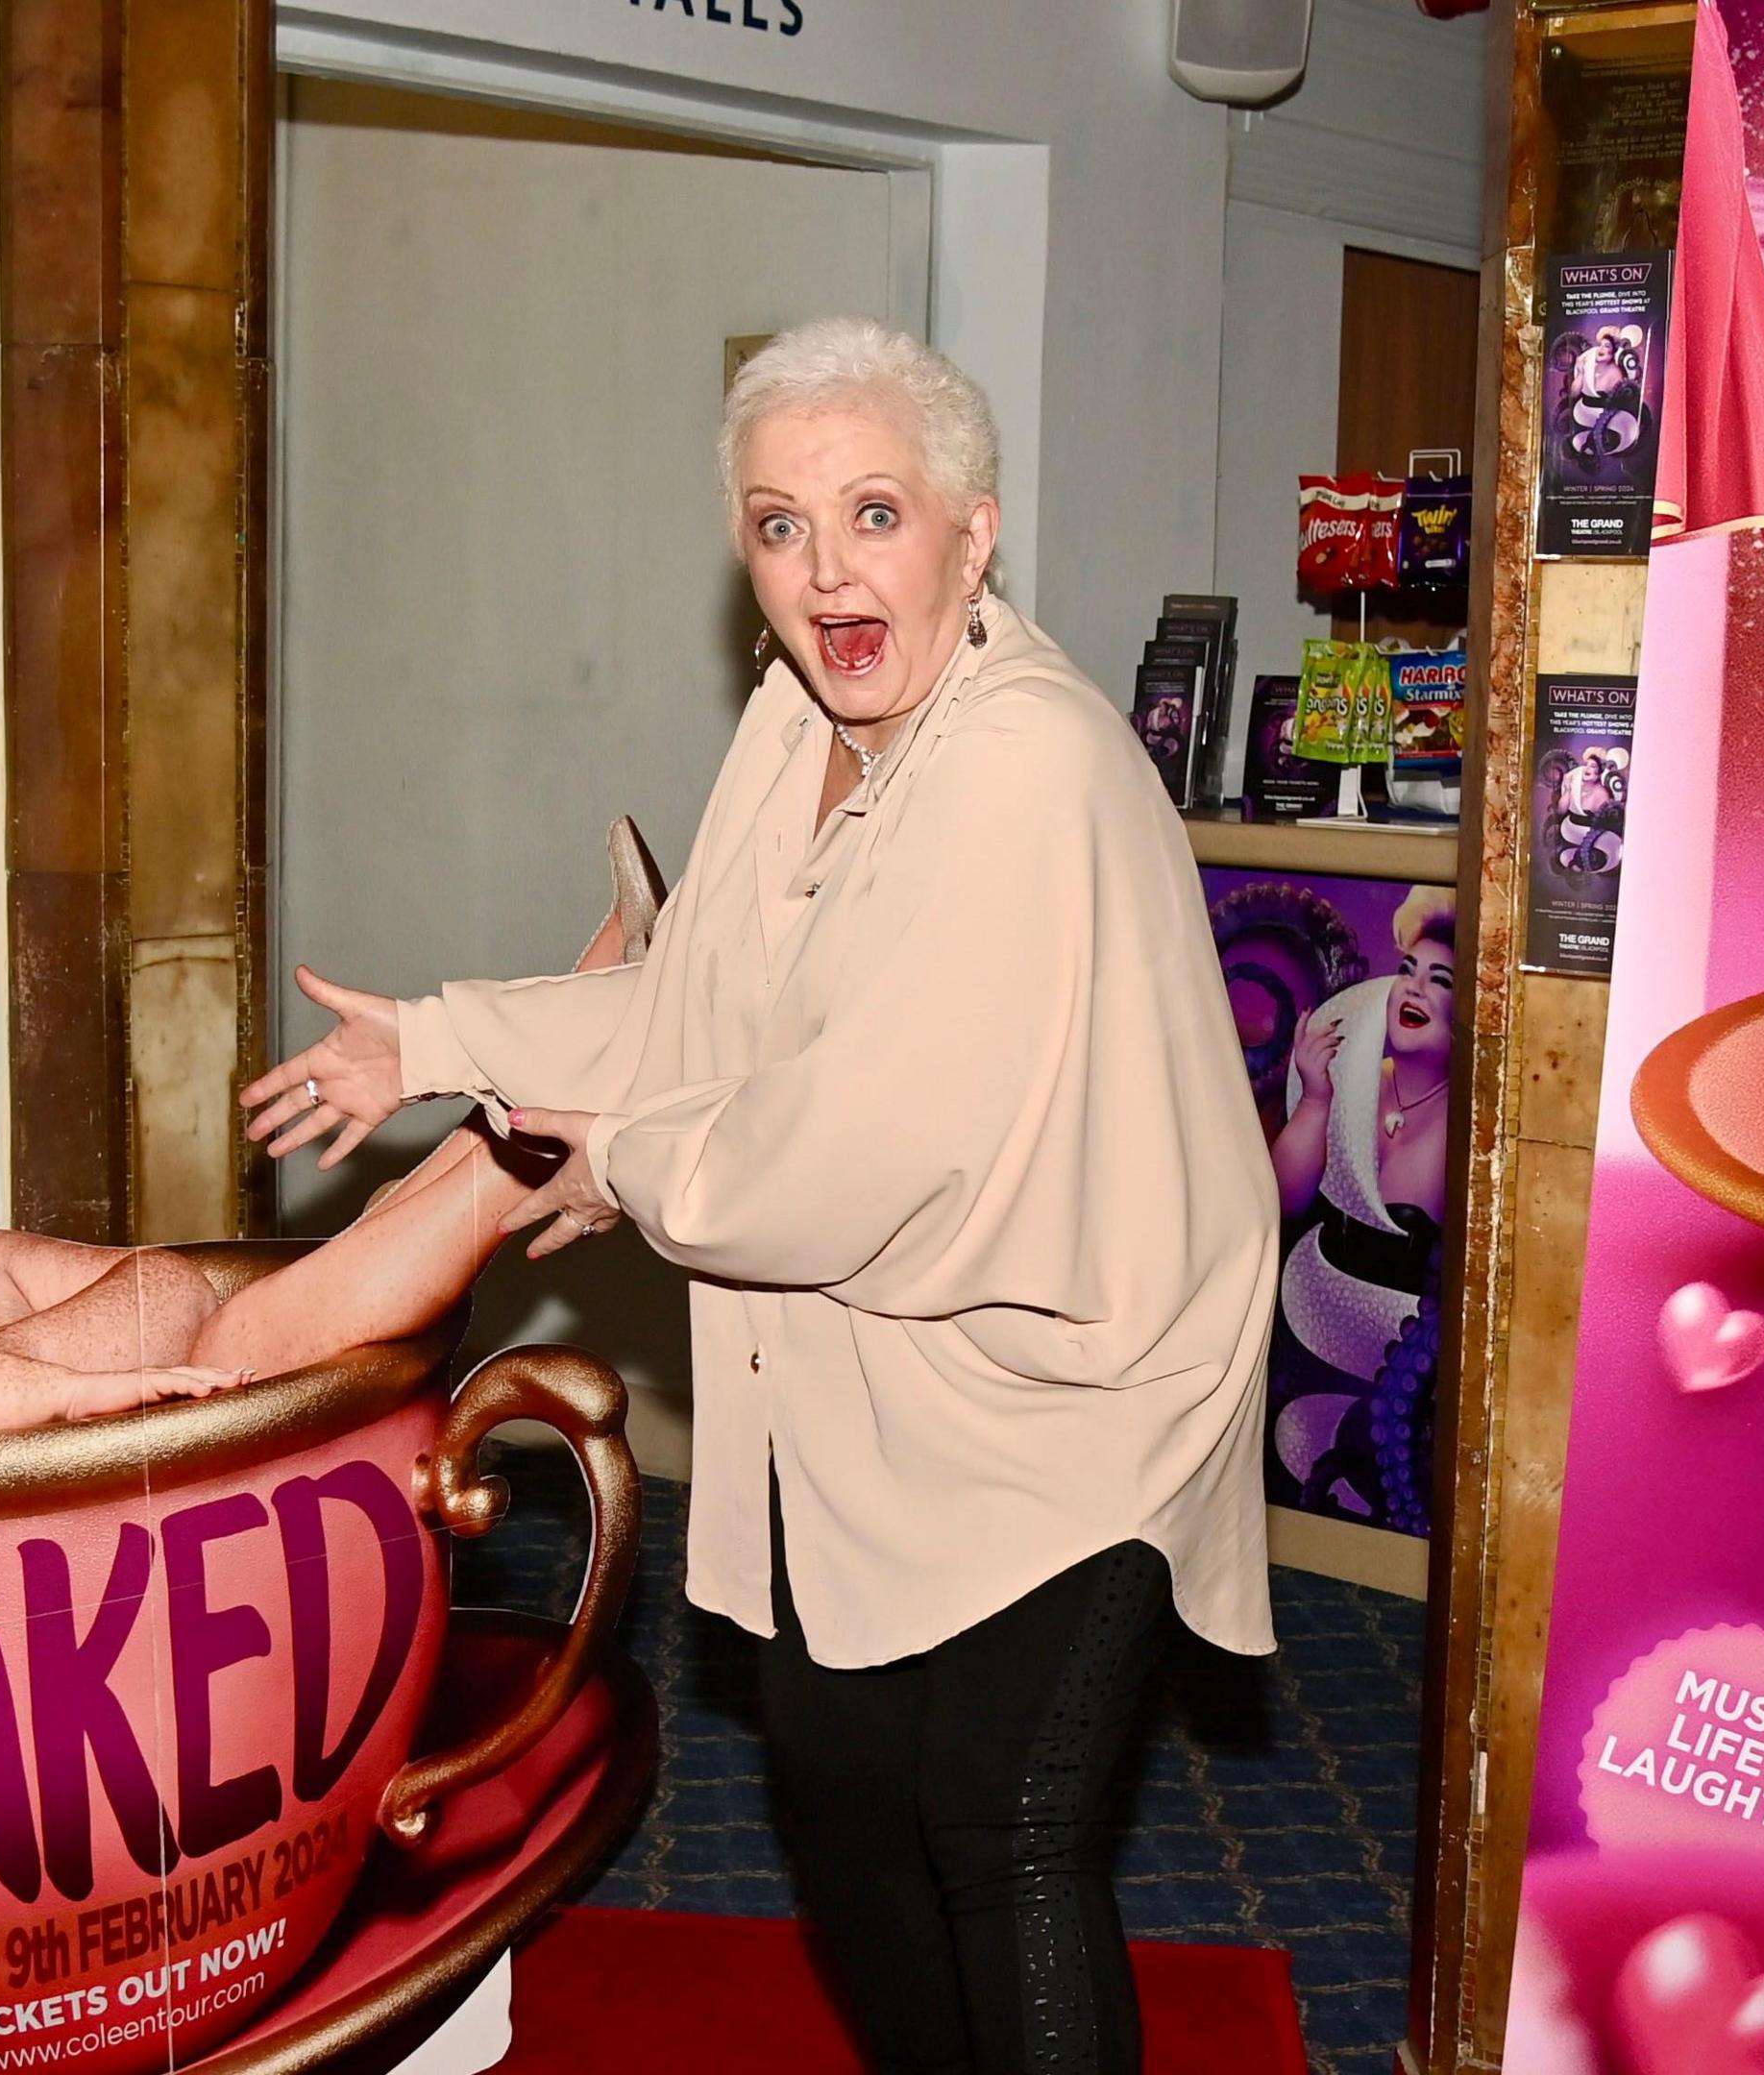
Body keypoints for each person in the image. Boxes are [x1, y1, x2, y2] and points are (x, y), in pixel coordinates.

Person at [242, 316, 1279, 2075]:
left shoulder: (1023, 763)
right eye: (780, 525)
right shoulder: (794, 728)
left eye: (875, 512)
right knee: (846, 1804)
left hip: (1082, 1380)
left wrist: (614, 1161)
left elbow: (852, 1146)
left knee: (996, 1820)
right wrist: (426, 1039)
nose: (826, 568)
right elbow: (697, 1005)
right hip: (876, 1378)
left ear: (977, 530)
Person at [0, 848, 649, 1446]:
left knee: (324, 1268)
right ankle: (571, 1068)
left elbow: (177, 1289)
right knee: (249, 1342)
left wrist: (43, 1376)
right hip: (38, 1672)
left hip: (167, 1576)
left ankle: (556, 1072)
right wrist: (80, 1396)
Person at [1262, 889, 1453, 1535]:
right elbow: (1284, 1200)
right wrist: (1315, 1097)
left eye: (1440, 980)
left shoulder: (1472, 1116)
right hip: (1306, 1345)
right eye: (1408, 972)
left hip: (1399, 1383)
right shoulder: (1352, 1087)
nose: (1414, 990)